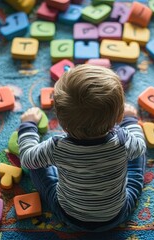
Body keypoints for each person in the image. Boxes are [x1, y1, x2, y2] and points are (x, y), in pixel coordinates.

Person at [18, 64, 146, 232]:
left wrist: (28, 125)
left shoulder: (56, 146)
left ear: (61, 122)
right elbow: (140, 147)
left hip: (70, 216)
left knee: (36, 167)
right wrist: (130, 121)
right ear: (119, 116)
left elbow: (27, 159)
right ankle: (132, 122)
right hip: (117, 214)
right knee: (138, 152)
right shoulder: (123, 139)